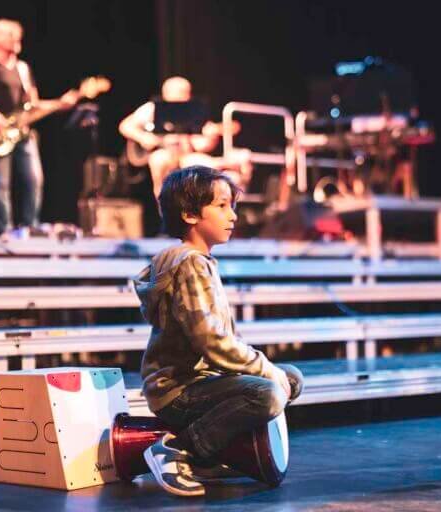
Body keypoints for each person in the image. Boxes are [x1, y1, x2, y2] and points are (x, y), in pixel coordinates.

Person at [133, 166, 304, 496]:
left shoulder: (196, 261)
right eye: (222, 206)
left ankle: (212, 452)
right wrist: (265, 368)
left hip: (202, 383)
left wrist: (268, 371)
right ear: (189, 214)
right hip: (179, 390)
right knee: (267, 393)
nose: (233, 216)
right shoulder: (190, 263)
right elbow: (212, 341)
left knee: (291, 379)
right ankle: (178, 450)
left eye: (232, 206)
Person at [0, 19, 79, 237]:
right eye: (11, 35)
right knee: (2, 184)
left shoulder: (23, 68)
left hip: (24, 133)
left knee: (34, 178)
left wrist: (59, 103)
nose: (17, 40)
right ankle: (5, 230)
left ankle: (30, 226)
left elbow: (33, 104)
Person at [119, 76, 251, 201]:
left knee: (213, 166)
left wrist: (212, 135)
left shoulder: (193, 111)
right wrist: (143, 137)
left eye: (186, 92)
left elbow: (202, 145)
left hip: (186, 155)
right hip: (163, 152)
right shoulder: (152, 108)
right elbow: (125, 126)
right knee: (159, 160)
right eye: (179, 91)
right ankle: (165, 208)